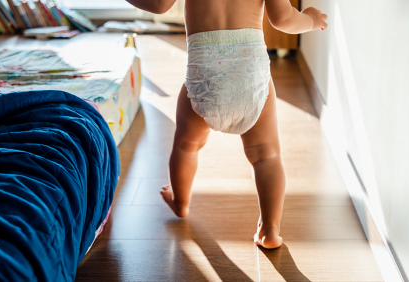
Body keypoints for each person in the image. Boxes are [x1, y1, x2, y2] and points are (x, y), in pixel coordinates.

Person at [126, 0, 327, 249]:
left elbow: (159, 5)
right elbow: (283, 19)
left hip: (205, 74)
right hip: (250, 71)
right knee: (266, 155)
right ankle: (270, 229)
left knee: (186, 145)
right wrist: (312, 20)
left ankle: (180, 201)